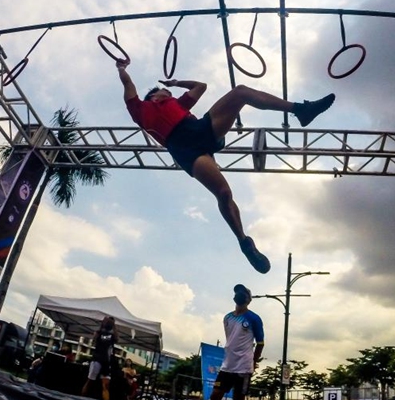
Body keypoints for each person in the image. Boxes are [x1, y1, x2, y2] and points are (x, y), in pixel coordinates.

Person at [115, 59, 335, 274]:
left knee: (241, 92)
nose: (169, 94)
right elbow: (128, 84)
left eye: (170, 92)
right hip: (184, 148)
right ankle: (244, 241)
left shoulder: (177, 103)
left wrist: (175, 83)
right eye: (165, 91)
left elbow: (200, 86)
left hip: (199, 129)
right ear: (154, 94)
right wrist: (122, 68)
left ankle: (300, 110)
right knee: (224, 193)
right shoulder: (139, 110)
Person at [206, 284, 264, 400]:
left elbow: (261, 343)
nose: (239, 294)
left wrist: (253, 361)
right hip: (227, 366)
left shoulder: (254, 318)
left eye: (243, 293)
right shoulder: (227, 317)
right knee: (215, 395)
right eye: (237, 292)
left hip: (243, 367)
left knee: (239, 399)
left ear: (249, 299)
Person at [81, 316, 118, 400]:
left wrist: (114, 325)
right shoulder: (99, 332)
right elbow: (95, 339)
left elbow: (116, 338)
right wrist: (104, 323)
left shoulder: (112, 335)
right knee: (90, 381)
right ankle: (81, 398)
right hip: (97, 359)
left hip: (106, 361)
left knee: (105, 385)